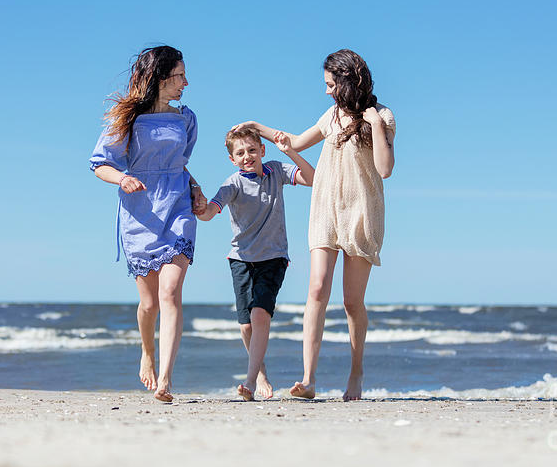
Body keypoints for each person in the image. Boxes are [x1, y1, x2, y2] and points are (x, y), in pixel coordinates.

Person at [236, 49, 395, 401]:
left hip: (361, 213)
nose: (326, 91)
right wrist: (256, 126)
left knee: (352, 302)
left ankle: (356, 372)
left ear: (346, 79)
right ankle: (308, 380)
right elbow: (293, 141)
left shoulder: (381, 116)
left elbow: (385, 169)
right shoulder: (332, 115)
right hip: (325, 208)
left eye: (329, 84)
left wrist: (376, 124)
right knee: (317, 288)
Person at [89, 45, 207, 402]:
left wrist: (196, 188)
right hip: (140, 211)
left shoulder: (186, 118)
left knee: (171, 292)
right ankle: (147, 352)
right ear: (160, 77)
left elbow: (179, 164)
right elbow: (100, 163)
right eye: (179, 76)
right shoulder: (126, 119)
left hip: (178, 208)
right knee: (149, 304)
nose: (186, 82)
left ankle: (167, 379)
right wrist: (121, 179)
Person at [196, 126, 314, 401]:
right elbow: (211, 211)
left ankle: (248, 381)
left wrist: (291, 151)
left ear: (262, 150)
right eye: (240, 153)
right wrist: (201, 209)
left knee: (260, 314)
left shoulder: (276, 170)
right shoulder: (232, 184)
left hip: (273, 257)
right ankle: (260, 373)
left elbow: (313, 179)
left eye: (252, 150)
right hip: (241, 260)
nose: (247, 156)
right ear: (232, 159)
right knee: (247, 325)